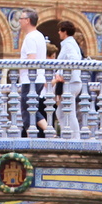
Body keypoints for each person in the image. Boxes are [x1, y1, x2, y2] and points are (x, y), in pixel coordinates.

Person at [17, 8, 49, 137]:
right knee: (31, 108)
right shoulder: (39, 35)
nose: (19, 21)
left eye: (21, 18)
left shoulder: (30, 37)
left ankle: (46, 131)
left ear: (27, 20)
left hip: (30, 78)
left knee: (27, 108)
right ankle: (35, 133)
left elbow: (32, 58)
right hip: (39, 77)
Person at [52, 20, 83, 134]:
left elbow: (74, 61)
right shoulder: (69, 43)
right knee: (60, 112)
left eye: (60, 30)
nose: (58, 32)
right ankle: (67, 134)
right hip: (71, 82)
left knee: (69, 112)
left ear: (64, 31)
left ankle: (75, 138)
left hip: (71, 83)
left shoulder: (69, 44)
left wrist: (65, 76)